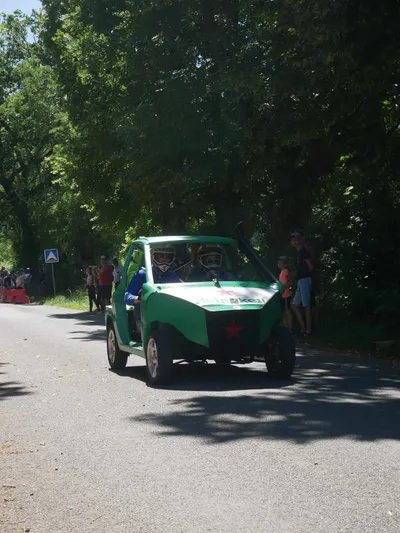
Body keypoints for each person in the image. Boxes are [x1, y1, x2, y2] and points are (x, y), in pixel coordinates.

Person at [125, 246, 180, 337]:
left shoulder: (172, 275)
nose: (164, 260)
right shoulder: (142, 274)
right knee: (161, 330)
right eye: (161, 256)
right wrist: (138, 298)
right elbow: (127, 296)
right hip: (146, 320)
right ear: (154, 257)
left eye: (167, 257)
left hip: (170, 316)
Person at [290, 231, 314, 335]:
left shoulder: (303, 251)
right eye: (293, 240)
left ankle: (308, 330)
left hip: (304, 280)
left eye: (296, 239)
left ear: (300, 240)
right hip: (300, 280)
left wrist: (307, 274)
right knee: (294, 305)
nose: (294, 242)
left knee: (306, 306)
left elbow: (310, 266)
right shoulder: (299, 253)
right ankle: (303, 328)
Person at [277, 256, 293, 332]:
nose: (279, 263)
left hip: (286, 295)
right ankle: (286, 328)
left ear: (284, 264)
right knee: (283, 312)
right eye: (279, 262)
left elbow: (290, 282)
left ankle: (289, 328)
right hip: (282, 295)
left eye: (281, 262)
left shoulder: (286, 271)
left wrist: (284, 286)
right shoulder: (281, 272)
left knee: (287, 311)